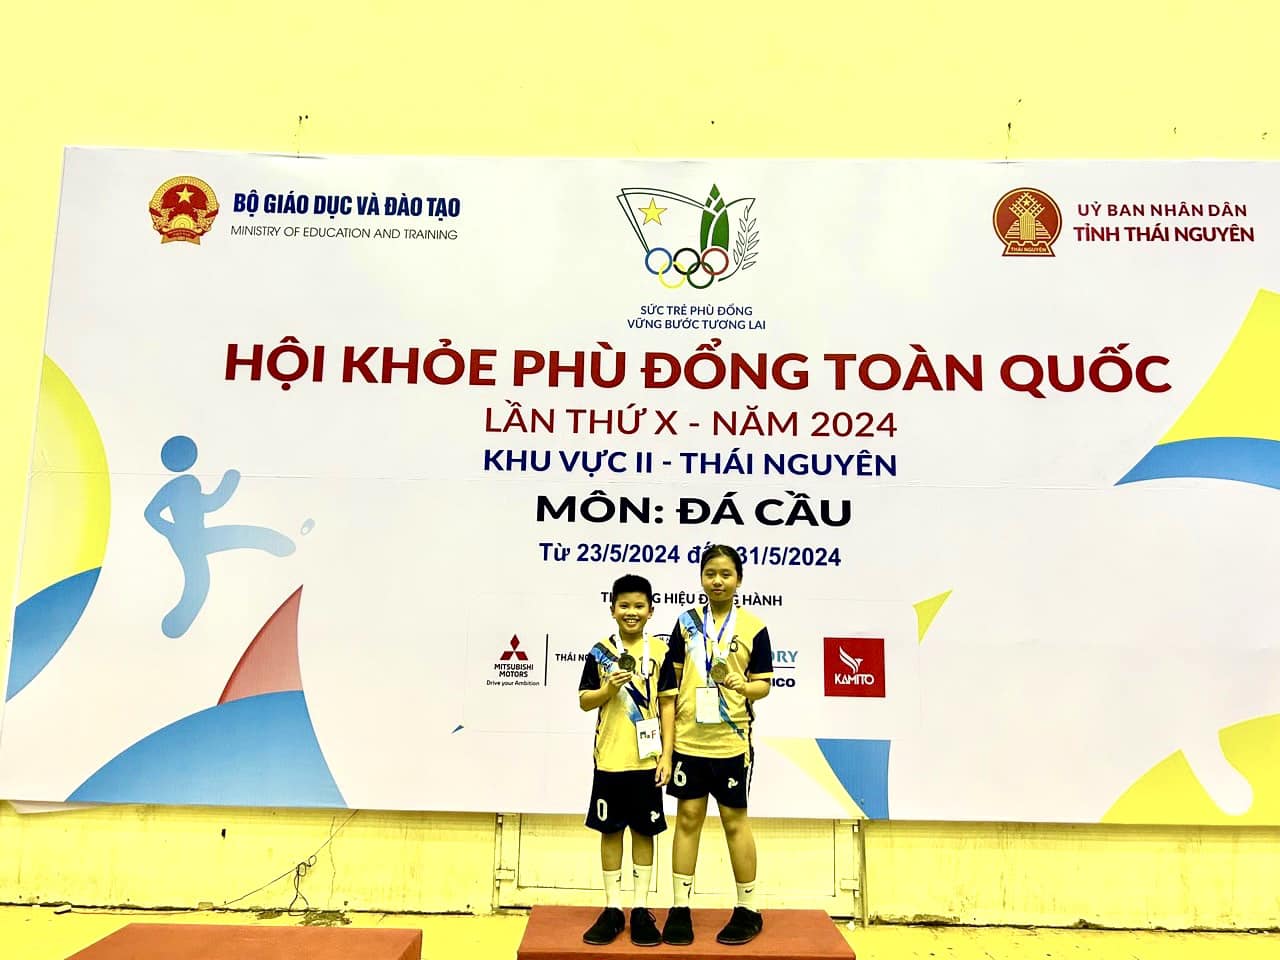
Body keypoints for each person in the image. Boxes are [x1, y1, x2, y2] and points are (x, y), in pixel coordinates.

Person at [661, 545, 772, 946]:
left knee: (734, 821)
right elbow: (671, 685)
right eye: (710, 573)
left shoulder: (754, 626)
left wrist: (745, 686)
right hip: (689, 740)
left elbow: (764, 685)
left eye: (726, 574)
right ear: (701, 578)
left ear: (739, 579)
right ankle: (679, 908)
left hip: (730, 742)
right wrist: (667, 747)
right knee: (687, 819)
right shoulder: (686, 623)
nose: (718, 581)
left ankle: (748, 909)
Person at [578, 574, 677, 947]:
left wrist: (667, 755)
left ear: (651, 610)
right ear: (612, 609)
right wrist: (607, 688)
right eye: (624, 605)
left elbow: (668, 706)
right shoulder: (600, 651)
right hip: (609, 759)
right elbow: (584, 700)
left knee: (644, 832)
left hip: (647, 761)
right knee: (610, 831)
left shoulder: (661, 652)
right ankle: (612, 907)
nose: (631, 612)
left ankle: (640, 908)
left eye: (638, 606)